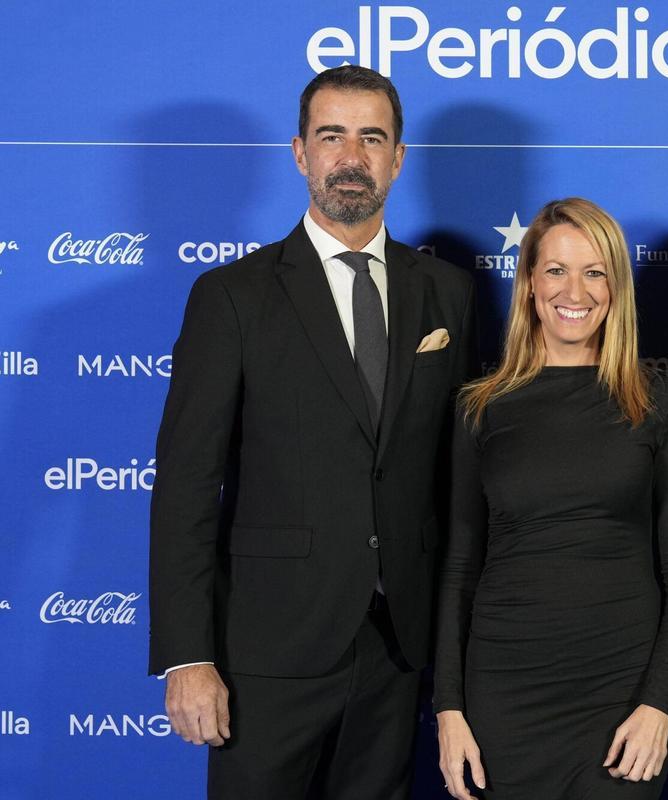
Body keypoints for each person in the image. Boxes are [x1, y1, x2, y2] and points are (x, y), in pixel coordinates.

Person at [148, 65, 476, 799]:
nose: (351, 157)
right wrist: (187, 655)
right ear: (300, 152)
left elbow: (457, 477)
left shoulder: (448, 292)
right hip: (265, 652)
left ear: (399, 156)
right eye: (332, 136)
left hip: (398, 647)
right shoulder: (232, 296)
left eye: (372, 137)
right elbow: (186, 486)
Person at [433, 198, 668, 800]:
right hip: (503, 697)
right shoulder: (481, 407)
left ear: (615, 287)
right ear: (528, 283)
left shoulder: (656, 401)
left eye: (594, 271)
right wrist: (449, 708)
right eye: (555, 270)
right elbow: (459, 567)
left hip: (621, 697)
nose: (574, 289)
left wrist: (658, 704)